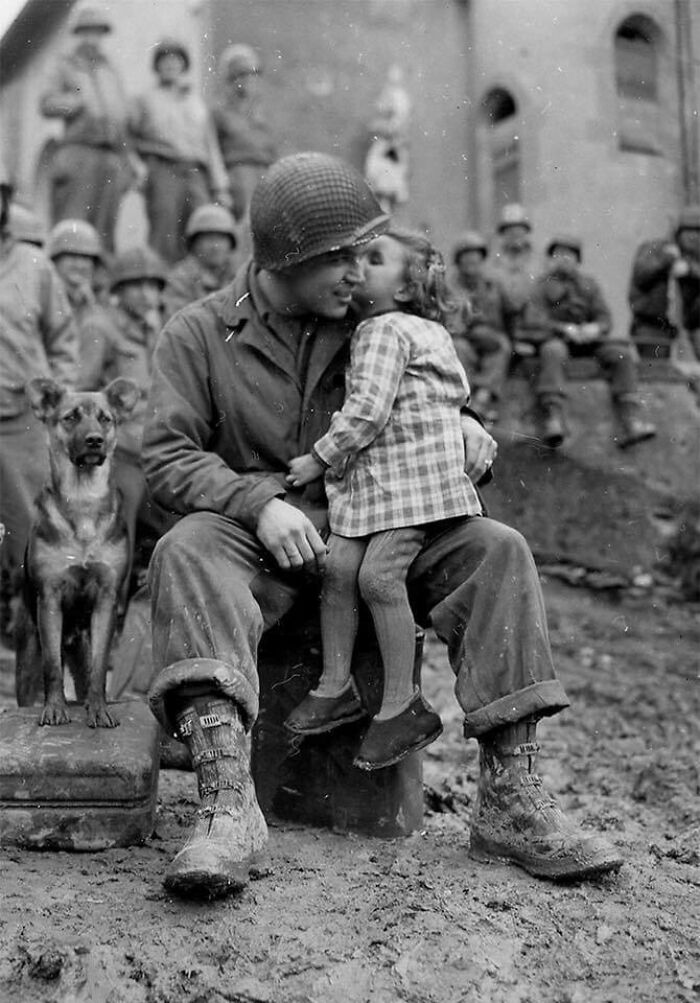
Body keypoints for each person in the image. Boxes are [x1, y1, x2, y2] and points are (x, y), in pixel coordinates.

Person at [141, 152, 622, 900]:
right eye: (340, 257)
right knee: (185, 550)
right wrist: (256, 504)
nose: (356, 272)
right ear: (283, 261)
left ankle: (511, 800)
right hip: (261, 540)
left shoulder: (371, 320)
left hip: (379, 526)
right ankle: (227, 806)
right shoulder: (199, 333)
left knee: (496, 550)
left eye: (365, 255)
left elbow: (428, 382)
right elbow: (167, 454)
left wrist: (465, 424)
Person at [282, 229, 478, 769]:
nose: (358, 268)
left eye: (374, 259)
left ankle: (401, 706)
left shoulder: (384, 330)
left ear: (407, 287)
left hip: (411, 486)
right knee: (338, 567)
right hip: (381, 486)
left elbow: (367, 411)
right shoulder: (422, 330)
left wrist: (317, 458)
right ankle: (335, 685)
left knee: (377, 577)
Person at [0, 168, 78, 622]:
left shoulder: (34, 266)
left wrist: (57, 400)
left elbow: (63, 338)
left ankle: (31, 630)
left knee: (31, 531)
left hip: (23, 423)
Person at [519, 235, 656, 449]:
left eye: (570, 255)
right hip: (557, 339)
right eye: (559, 255)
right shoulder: (540, 286)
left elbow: (605, 318)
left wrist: (595, 328)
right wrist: (563, 329)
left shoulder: (588, 285)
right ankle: (553, 418)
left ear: (578, 260)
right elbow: (534, 320)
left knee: (620, 354)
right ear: (551, 259)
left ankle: (631, 420)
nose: (564, 259)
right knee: (553, 351)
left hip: (587, 341)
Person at [39, 5, 132, 252]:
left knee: (105, 232)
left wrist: (128, 160)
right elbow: (46, 103)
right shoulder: (64, 64)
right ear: (78, 34)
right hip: (78, 152)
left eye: (98, 32)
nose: (93, 38)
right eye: (87, 32)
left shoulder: (110, 70)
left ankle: (101, 277)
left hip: (109, 156)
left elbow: (121, 116)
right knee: (73, 225)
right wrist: (75, 103)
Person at [129, 38, 231, 264]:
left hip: (195, 174)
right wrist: (137, 168)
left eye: (175, 61)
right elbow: (127, 138)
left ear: (184, 65)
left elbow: (210, 145)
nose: (170, 65)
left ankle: (198, 281)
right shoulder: (145, 100)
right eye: (164, 61)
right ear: (156, 66)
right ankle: (161, 279)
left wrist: (220, 187)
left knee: (203, 226)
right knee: (164, 231)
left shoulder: (195, 101)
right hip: (163, 170)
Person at [102, 247, 168, 581]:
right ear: (119, 289)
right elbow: (82, 390)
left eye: (153, 286)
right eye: (136, 286)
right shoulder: (101, 328)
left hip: (154, 447)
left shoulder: (154, 329)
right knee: (118, 538)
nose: (146, 295)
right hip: (121, 453)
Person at [447, 230, 514, 424]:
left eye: (476, 258)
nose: (472, 263)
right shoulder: (449, 286)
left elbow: (510, 312)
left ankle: (483, 399)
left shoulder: (493, 284)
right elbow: (451, 320)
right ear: (458, 262)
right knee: (460, 349)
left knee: (503, 346)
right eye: (466, 258)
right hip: (462, 336)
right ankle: (464, 402)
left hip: (491, 336)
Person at [47, 219, 118, 390]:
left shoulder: (95, 305)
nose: (80, 265)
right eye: (72, 256)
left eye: (86, 258)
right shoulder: (44, 299)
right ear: (55, 261)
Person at [212, 44, 278, 225]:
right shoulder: (219, 113)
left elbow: (272, 152)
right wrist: (221, 187)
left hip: (265, 176)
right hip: (238, 176)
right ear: (231, 79)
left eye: (252, 75)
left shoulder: (261, 115)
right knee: (246, 224)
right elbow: (213, 152)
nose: (248, 80)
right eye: (241, 75)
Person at [628, 204, 700, 361]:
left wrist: (690, 270)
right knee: (657, 368)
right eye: (688, 231)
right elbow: (641, 275)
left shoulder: (692, 258)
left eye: (697, 232)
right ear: (678, 232)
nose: (693, 237)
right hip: (652, 325)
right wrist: (667, 258)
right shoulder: (653, 248)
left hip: (688, 326)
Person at [163, 203, 239, 319]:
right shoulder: (180, 279)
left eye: (221, 239)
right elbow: (179, 320)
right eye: (209, 239)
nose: (215, 247)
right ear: (194, 244)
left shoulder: (238, 274)